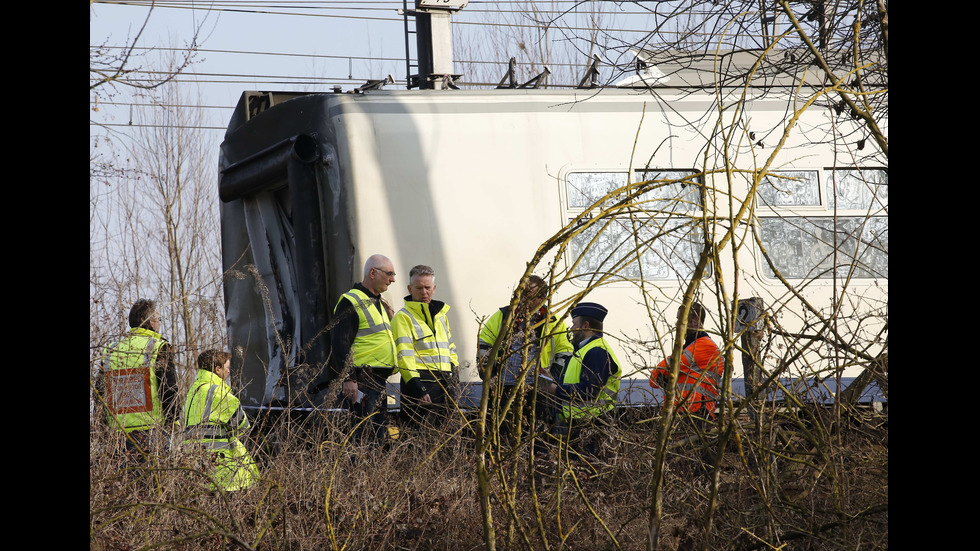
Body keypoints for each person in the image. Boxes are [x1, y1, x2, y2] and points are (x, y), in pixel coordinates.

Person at [478, 275, 573, 441]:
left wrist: (553, 379)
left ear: (542, 298)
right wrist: (489, 374)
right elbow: (484, 345)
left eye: (528, 296)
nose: (522, 300)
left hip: (538, 389)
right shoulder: (503, 316)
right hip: (503, 388)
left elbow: (565, 351)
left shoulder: (554, 321)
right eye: (519, 294)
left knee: (537, 437)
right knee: (501, 436)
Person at [327, 254, 398, 442]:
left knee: (377, 436)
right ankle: (357, 471)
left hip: (378, 381)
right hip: (362, 381)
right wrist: (348, 378)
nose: (393, 279)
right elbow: (340, 343)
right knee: (363, 437)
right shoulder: (351, 301)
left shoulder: (378, 302)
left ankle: (372, 472)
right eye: (389, 274)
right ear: (373, 272)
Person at [96, 299, 180, 457]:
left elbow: (99, 393)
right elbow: (169, 390)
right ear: (151, 323)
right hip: (152, 433)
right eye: (158, 319)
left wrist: (102, 429)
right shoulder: (159, 347)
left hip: (117, 436)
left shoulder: (110, 351)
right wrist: (173, 420)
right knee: (154, 481)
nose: (159, 323)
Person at [545, 302, 622, 457]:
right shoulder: (584, 349)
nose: (572, 329)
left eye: (574, 324)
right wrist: (551, 379)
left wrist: (555, 389)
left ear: (585, 325)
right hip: (582, 422)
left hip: (591, 424)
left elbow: (589, 391)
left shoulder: (597, 352)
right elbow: (574, 382)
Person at [391, 265, 459, 431]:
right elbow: (404, 356)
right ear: (409, 288)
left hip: (444, 384)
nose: (424, 292)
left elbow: (450, 348)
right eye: (419, 288)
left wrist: (454, 375)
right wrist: (417, 389)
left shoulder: (441, 316)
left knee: (444, 438)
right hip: (419, 385)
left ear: (434, 288)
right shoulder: (403, 317)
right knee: (417, 439)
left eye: (428, 288)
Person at [183, 349, 259, 492]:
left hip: (194, 463)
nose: (228, 372)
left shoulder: (193, 390)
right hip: (221, 465)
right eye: (227, 368)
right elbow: (243, 424)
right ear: (217, 369)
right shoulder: (217, 392)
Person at [648, 301, 724, 419]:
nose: (677, 324)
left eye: (681, 319)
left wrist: (665, 379)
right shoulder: (691, 347)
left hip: (695, 412)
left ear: (695, 321)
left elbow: (657, 374)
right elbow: (653, 379)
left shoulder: (704, 347)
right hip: (684, 411)